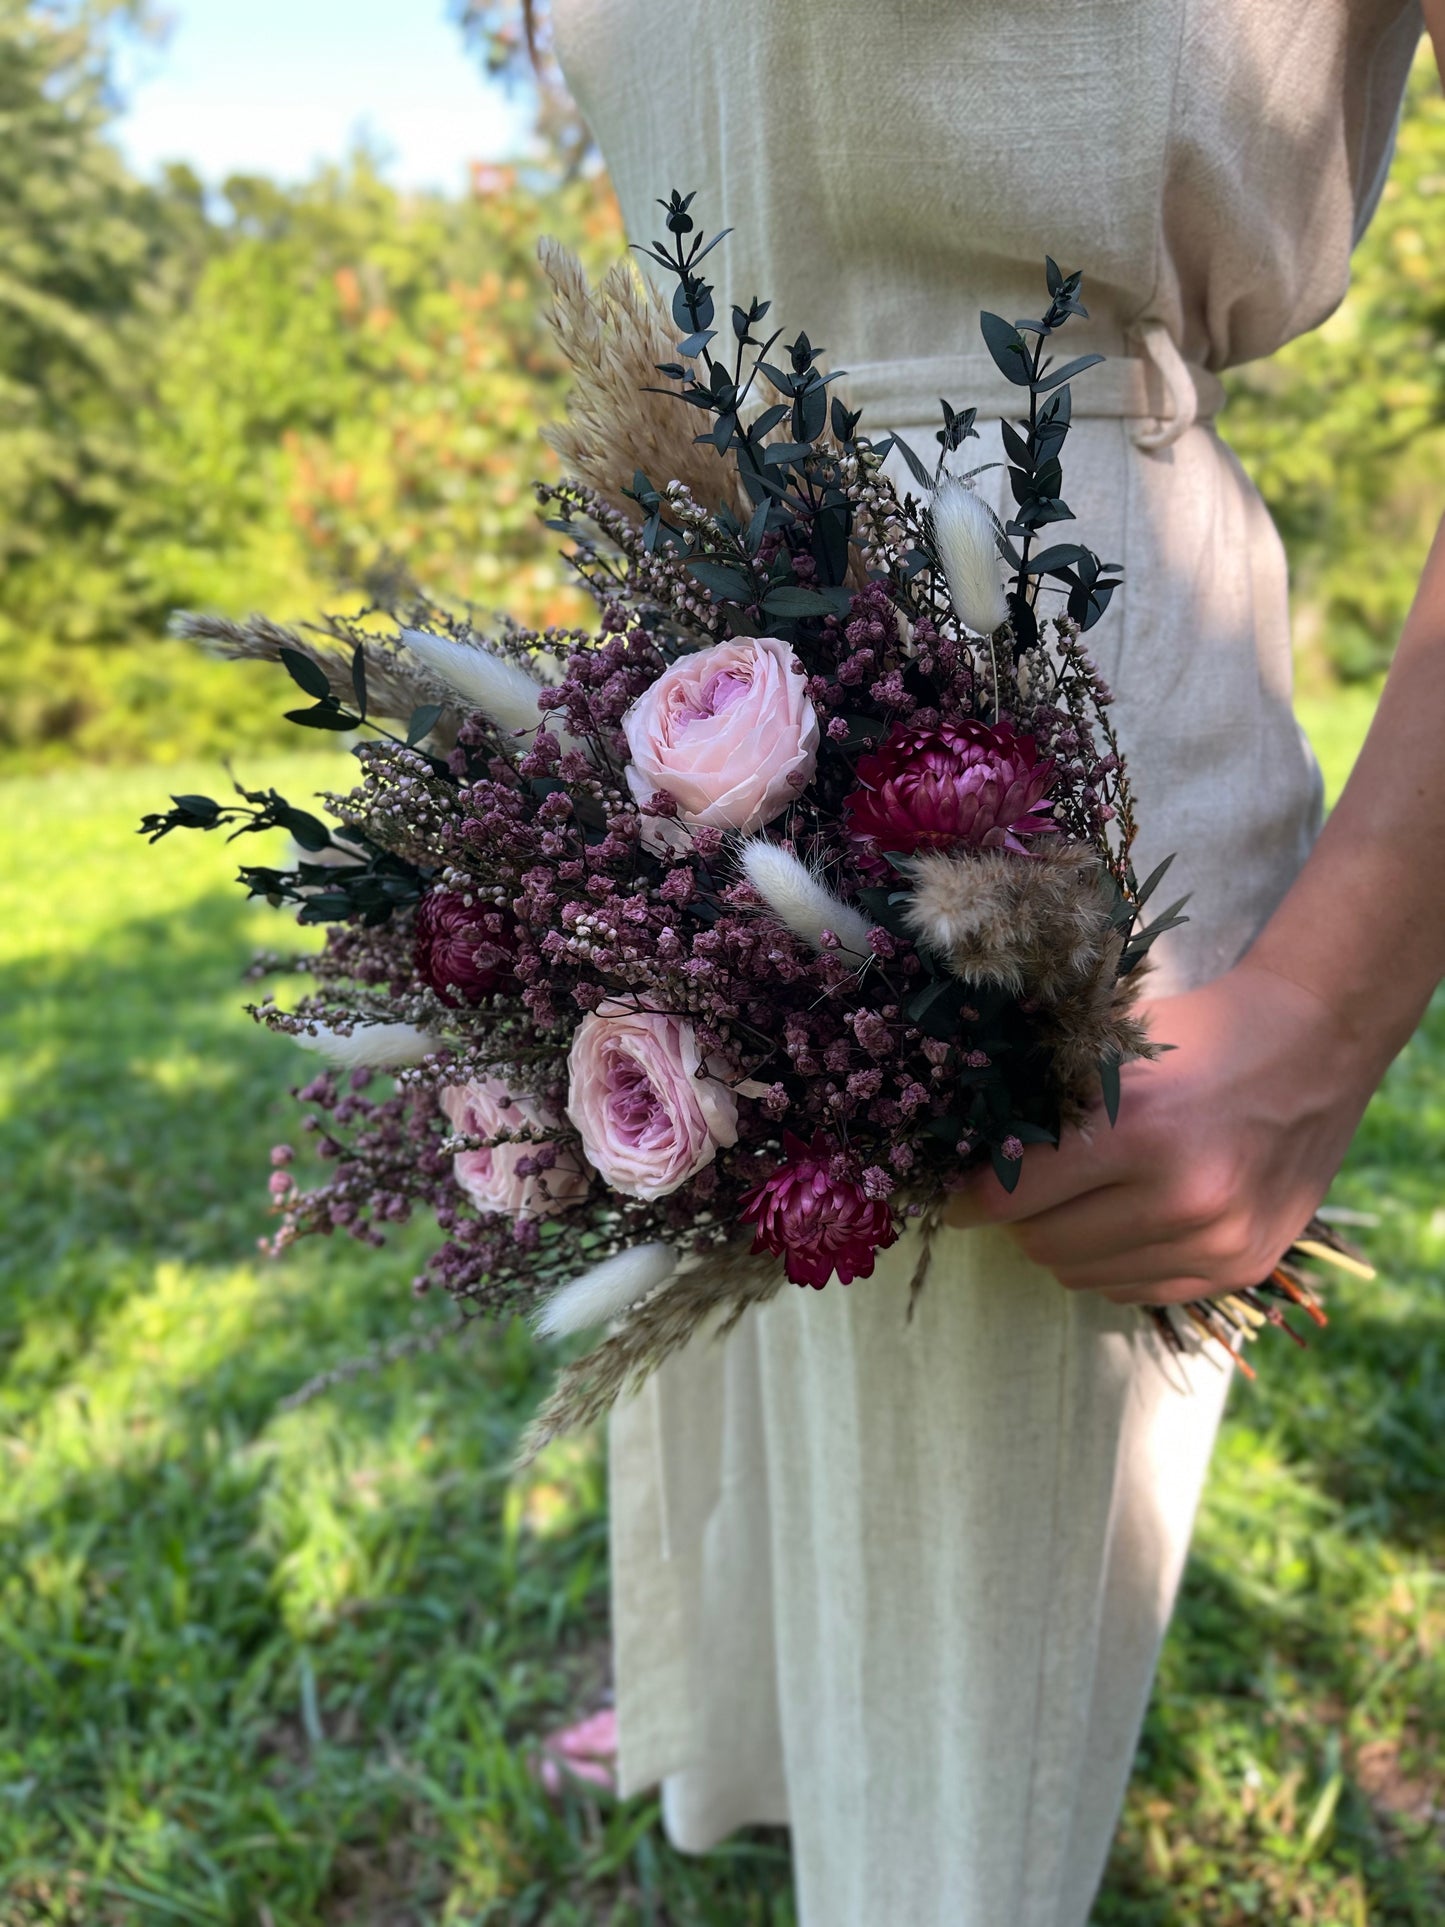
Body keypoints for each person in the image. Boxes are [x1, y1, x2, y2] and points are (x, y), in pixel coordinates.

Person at [537, 3, 1445, 1921]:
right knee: (740, 1251)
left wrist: (1325, 1006)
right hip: (698, 581)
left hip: (1046, 604)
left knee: (975, 1553)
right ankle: (745, 1735)